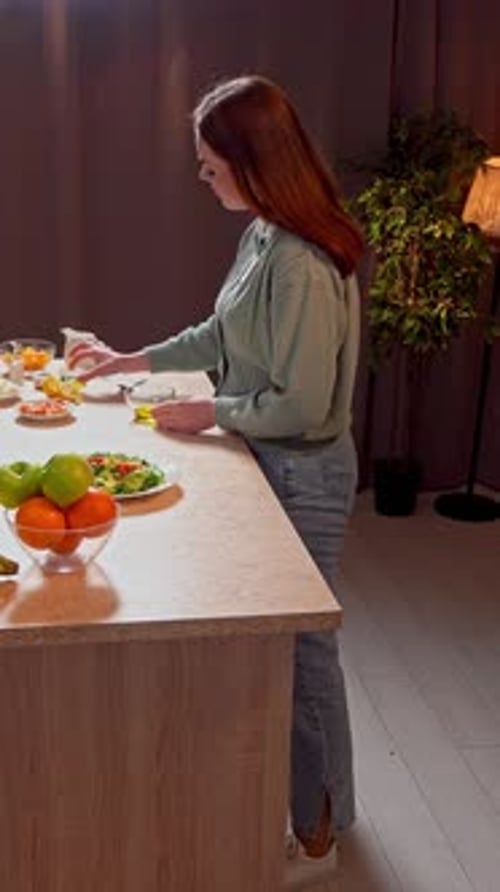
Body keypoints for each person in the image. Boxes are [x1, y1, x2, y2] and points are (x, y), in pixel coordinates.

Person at [68, 74, 364, 883]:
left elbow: (298, 404)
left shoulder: (300, 263)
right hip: (273, 455)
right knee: (283, 650)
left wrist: (213, 413)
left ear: (253, 161)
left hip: (304, 472)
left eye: (210, 166)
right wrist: (132, 360)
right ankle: (319, 802)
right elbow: (218, 333)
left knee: (303, 654)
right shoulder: (265, 233)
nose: (204, 179)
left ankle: (319, 833)